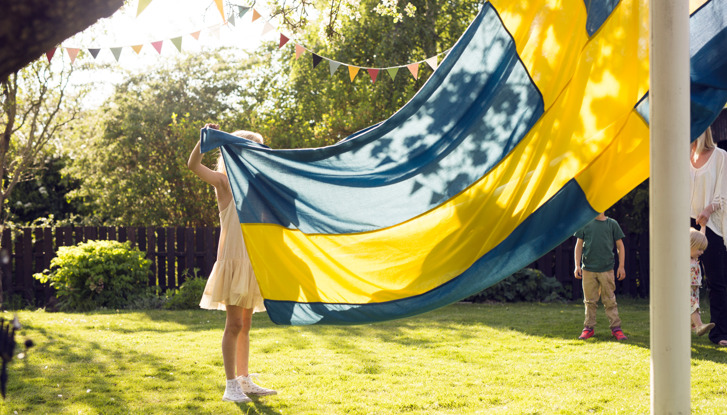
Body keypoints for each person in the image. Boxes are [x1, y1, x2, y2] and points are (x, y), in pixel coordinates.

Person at [188, 124, 277, 402]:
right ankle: (231, 385)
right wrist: (204, 140)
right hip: (233, 262)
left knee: (246, 325)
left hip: (252, 263)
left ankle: (244, 379)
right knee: (234, 324)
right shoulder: (224, 182)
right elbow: (193, 165)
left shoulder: (258, 188)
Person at [690, 127, 727, 346]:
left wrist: (708, 210)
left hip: (711, 224)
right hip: (686, 224)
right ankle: (688, 325)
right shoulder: (683, 155)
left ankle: (720, 333)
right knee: (681, 279)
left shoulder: (721, 156)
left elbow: (724, 192)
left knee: (717, 281)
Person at [573, 212, 628, 341]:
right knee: (589, 301)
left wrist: (621, 266)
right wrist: (577, 265)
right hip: (588, 269)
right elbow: (578, 245)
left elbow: (620, 246)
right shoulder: (585, 223)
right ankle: (588, 328)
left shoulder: (612, 224)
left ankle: (616, 329)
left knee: (609, 300)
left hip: (607, 269)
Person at [690, 227, 715, 336]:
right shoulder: (683, 257)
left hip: (694, 290)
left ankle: (692, 328)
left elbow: (701, 237)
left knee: (693, 308)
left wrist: (703, 226)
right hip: (685, 289)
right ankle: (699, 326)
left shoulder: (694, 258)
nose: (702, 252)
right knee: (692, 306)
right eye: (699, 249)